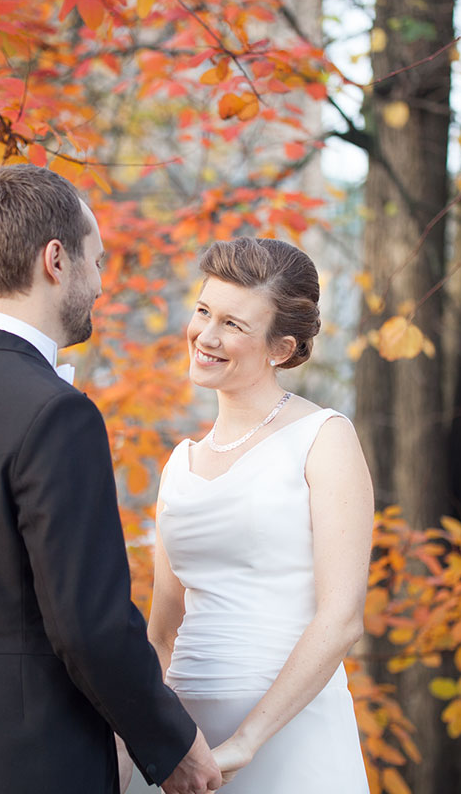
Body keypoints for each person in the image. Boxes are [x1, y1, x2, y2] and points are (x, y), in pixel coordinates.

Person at [0, 164, 221, 794]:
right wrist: (172, 746)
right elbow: (87, 622)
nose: (99, 284)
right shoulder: (58, 413)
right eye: (96, 260)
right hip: (31, 760)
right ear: (56, 260)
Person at [148, 237, 373, 792]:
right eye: (203, 311)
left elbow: (341, 616)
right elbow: (161, 632)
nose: (206, 335)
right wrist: (142, 744)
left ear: (280, 348)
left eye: (233, 324)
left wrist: (246, 741)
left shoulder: (324, 438)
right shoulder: (179, 465)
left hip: (290, 738)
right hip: (184, 741)